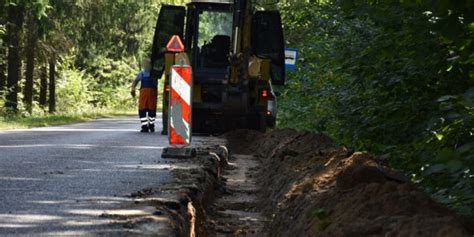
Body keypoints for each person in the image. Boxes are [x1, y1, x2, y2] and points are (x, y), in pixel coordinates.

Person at [131, 59, 157, 133]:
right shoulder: (141, 73)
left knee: (152, 111)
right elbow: (135, 81)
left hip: (151, 95)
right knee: (142, 110)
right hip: (144, 96)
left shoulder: (154, 73)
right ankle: (144, 126)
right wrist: (133, 89)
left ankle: (151, 125)